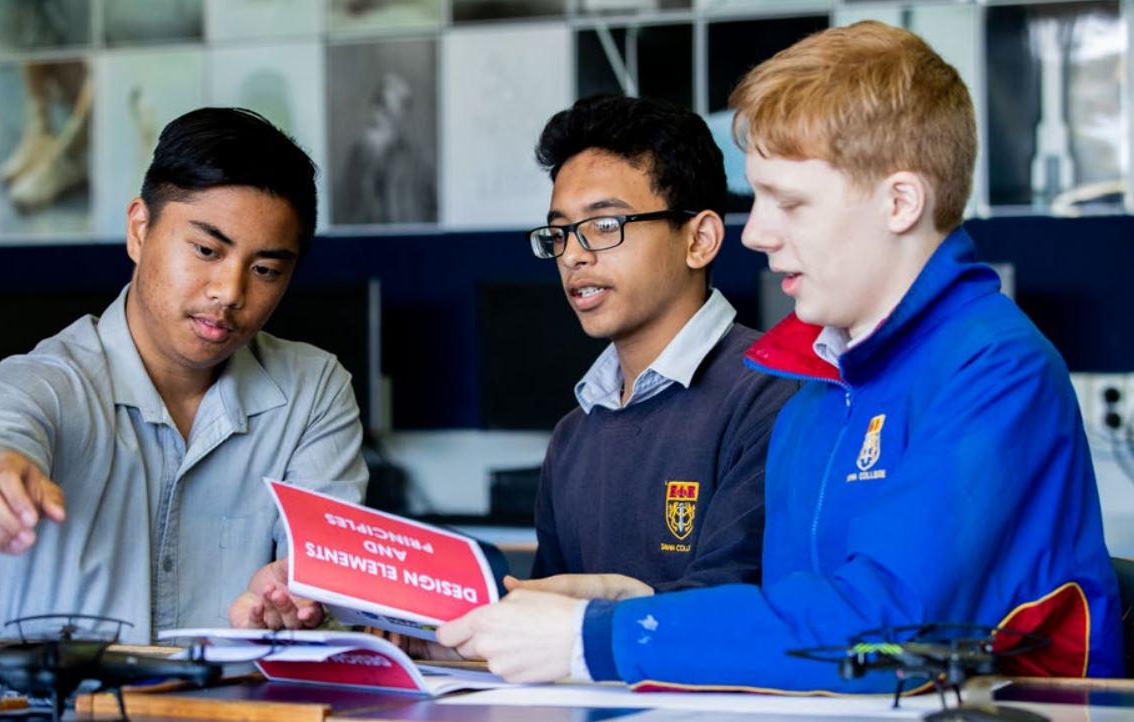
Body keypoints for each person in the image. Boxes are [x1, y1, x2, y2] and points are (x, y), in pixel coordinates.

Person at [436, 21, 1124, 688]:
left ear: (899, 202)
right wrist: (628, 598)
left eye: (788, 203)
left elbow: (888, 633)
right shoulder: (814, 385)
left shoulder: (994, 369)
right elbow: (785, 622)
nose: (757, 234)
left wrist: (598, 636)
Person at [0, 108, 368, 643]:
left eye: (265, 270)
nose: (230, 291)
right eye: (206, 250)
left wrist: (297, 597)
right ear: (139, 230)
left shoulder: (313, 389)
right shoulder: (47, 379)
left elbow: (329, 571)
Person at [515, 95, 797, 601]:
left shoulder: (773, 394)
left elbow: (730, 604)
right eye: (559, 232)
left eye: (605, 225)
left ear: (699, 240)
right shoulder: (573, 435)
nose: (573, 255)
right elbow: (542, 614)